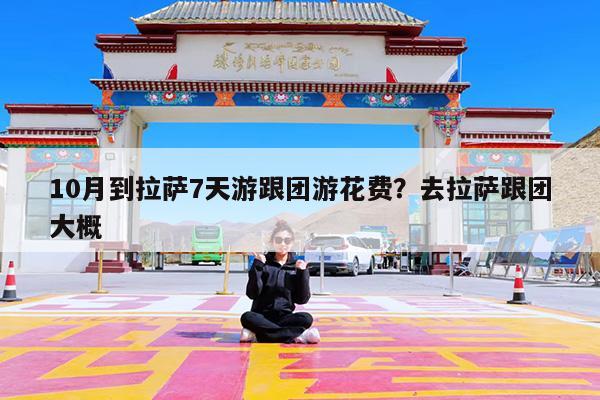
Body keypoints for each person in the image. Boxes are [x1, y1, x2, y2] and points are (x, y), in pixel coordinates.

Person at [240, 220, 320, 344]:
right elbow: (252, 294)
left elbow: (301, 299)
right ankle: (299, 335)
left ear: (292, 243)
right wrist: (257, 266)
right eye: (278, 240)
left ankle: (257, 336)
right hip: (261, 316)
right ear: (272, 242)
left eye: (287, 241)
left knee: (306, 318)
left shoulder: (295, 266)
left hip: (284, 318)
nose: (282, 244)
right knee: (247, 317)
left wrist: (302, 273)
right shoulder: (263, 263)